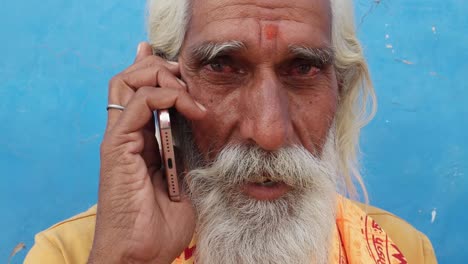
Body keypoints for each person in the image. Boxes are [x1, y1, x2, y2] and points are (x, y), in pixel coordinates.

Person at [25, 0, 437, 263]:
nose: (269, 132)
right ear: (161, 85)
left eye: (304, 68)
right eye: (222, 66)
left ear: (339, 90)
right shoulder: (71, 254)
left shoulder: (403, 251)